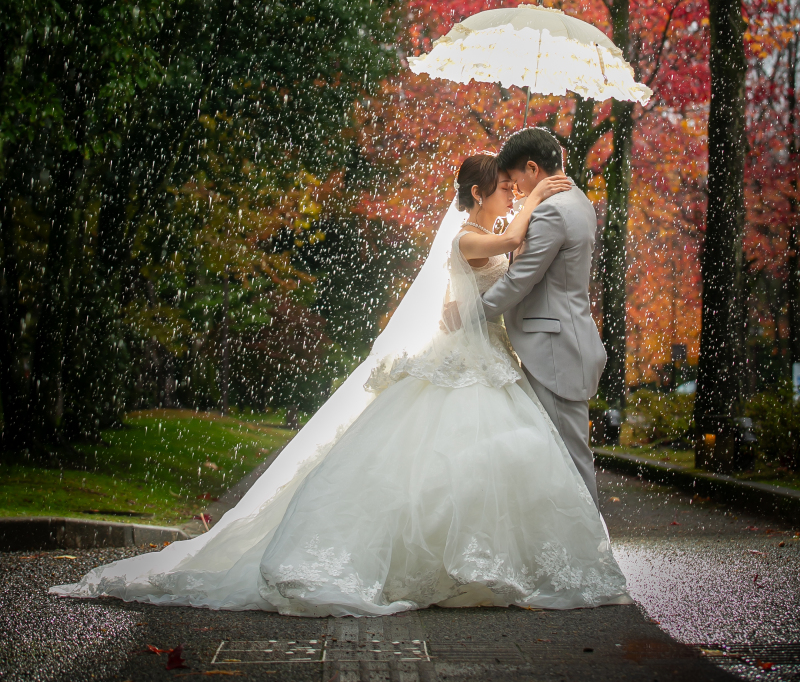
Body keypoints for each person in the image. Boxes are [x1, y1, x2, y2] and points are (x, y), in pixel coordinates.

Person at [52, 152, 628, 616]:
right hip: (465, 356)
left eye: (513, 187)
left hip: (491, 355)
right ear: (480, 194)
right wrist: (533, 200)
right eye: (501, 188)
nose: (509, 195)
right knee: (442, 453)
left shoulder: (492, 226)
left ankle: (512, 555)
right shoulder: (467, 238)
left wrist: (526, 205)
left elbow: (516, 253)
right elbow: (511, 247)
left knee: (499, 456)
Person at [480, 127, 606, 506]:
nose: (514, 190)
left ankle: (593, 555)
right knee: (557, 453)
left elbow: (521, 279)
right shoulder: (577, 199)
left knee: (569, 457)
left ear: (532, 168)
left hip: (555, 350)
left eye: (515, 180)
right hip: (563, 342)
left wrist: (474, 312)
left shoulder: (551, 210)